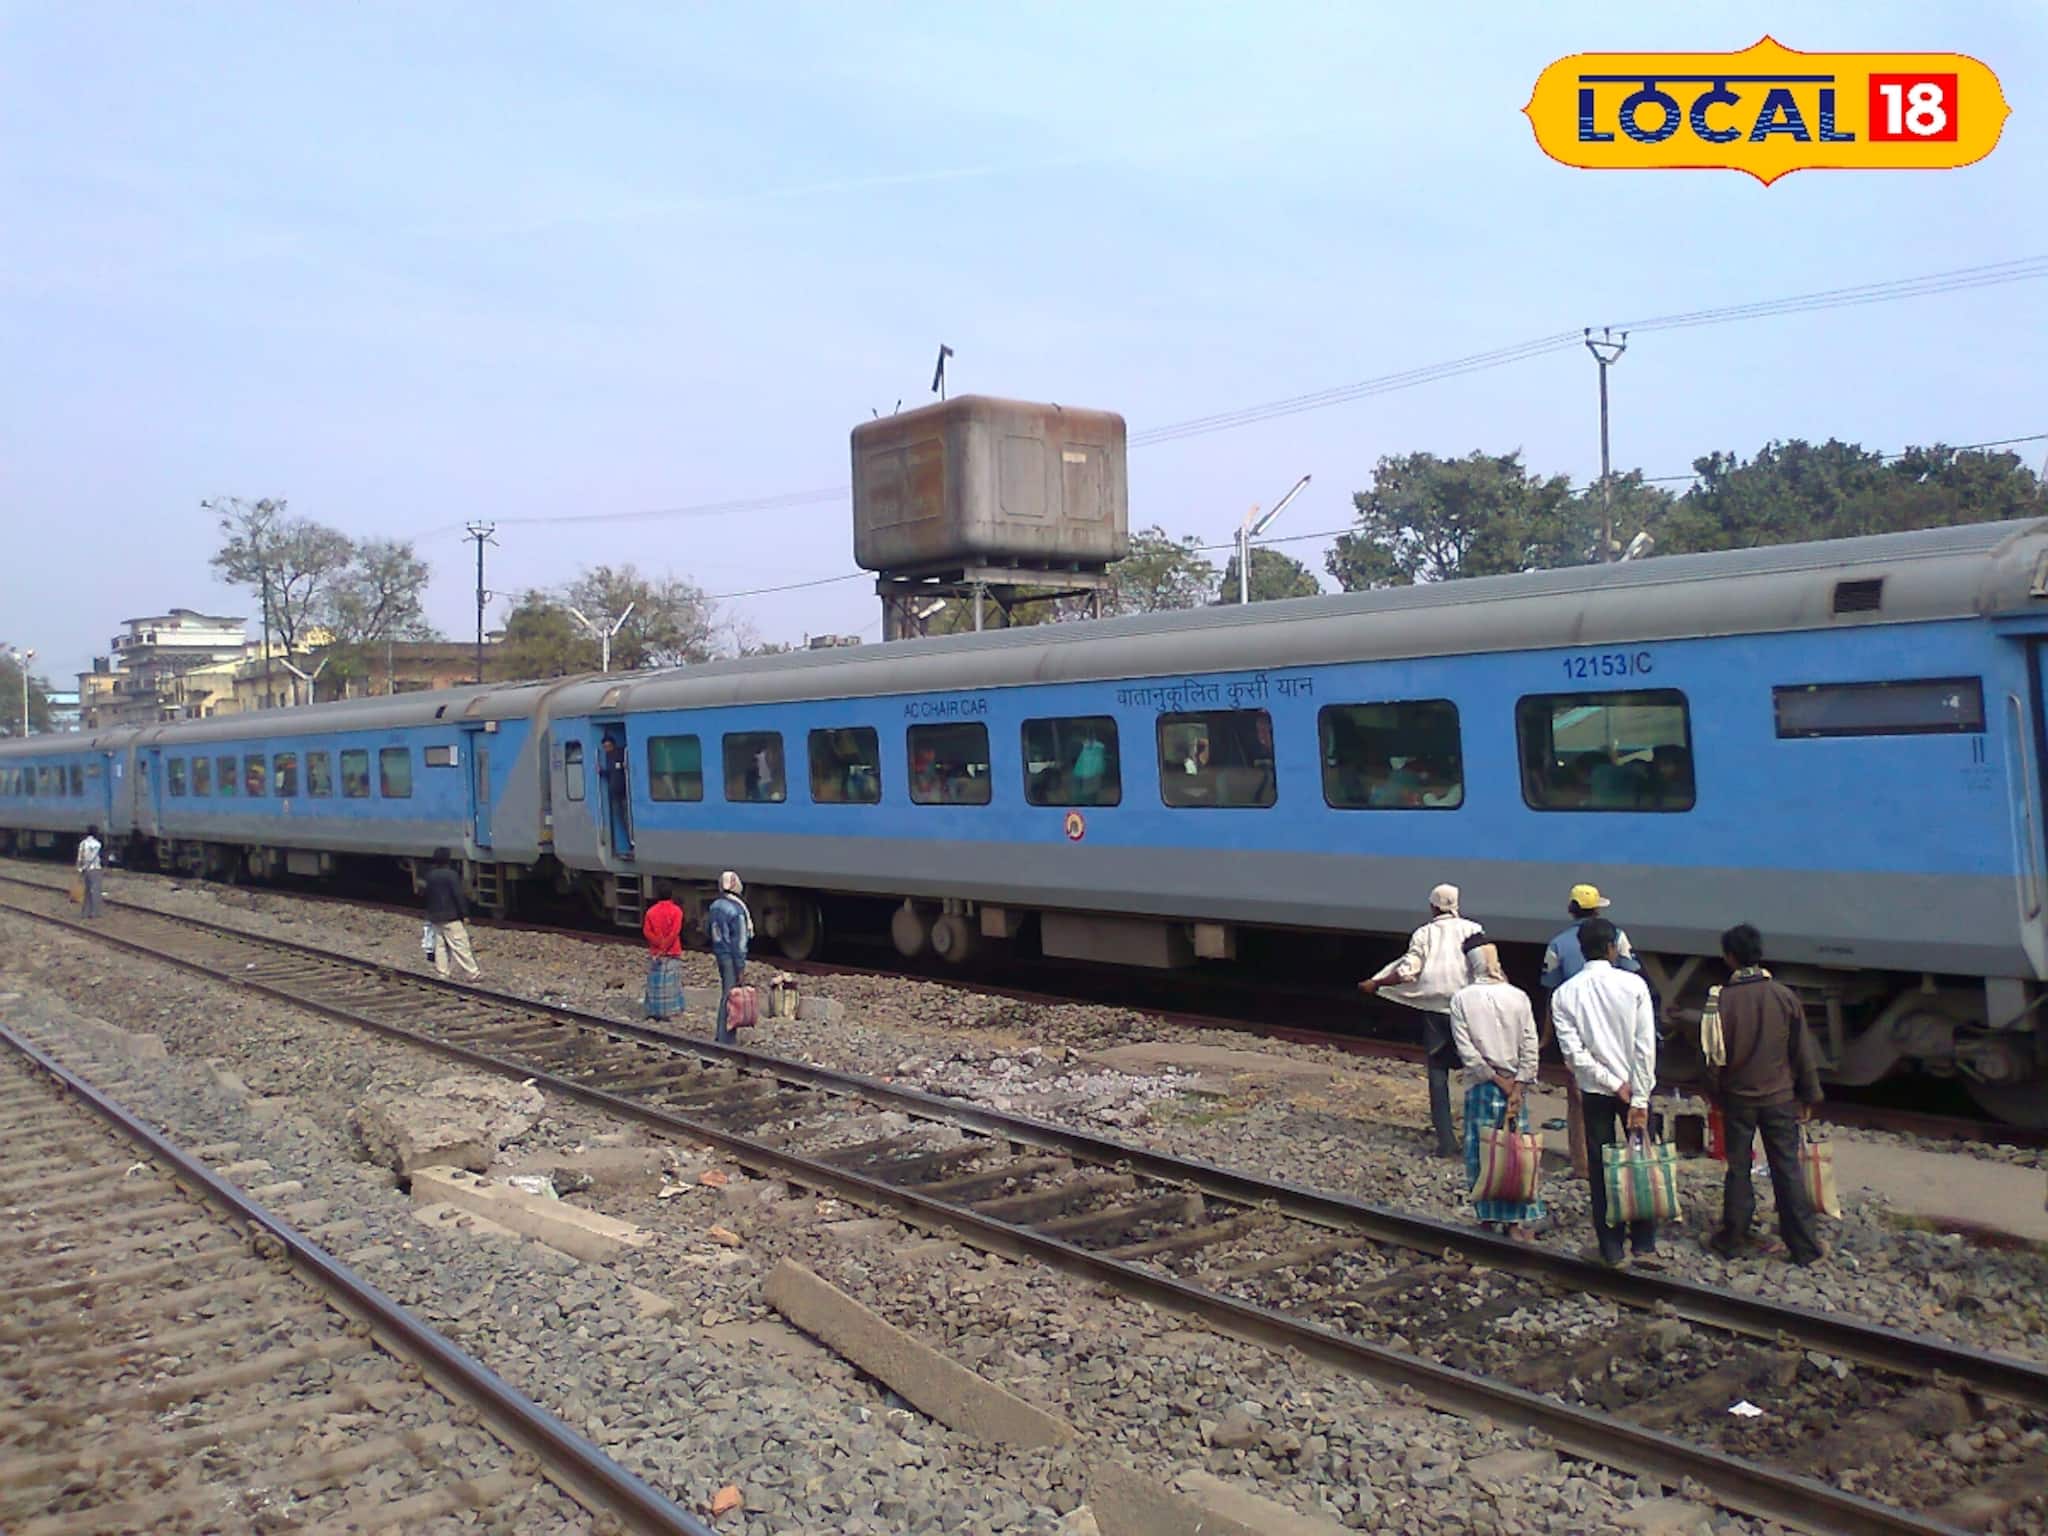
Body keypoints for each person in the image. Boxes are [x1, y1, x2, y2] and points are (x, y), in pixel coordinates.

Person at [1704, 923, 1825, 1266]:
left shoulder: (1721, 1000)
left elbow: (1713, 1057)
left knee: (1738, 1168)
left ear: (1729, 958)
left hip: (1738, 1099)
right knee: (1786, 1168)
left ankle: (1733, 1237)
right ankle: (1803, 1246)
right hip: (1779, 1098)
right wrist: (1808, 1096)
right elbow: (1802, 1052)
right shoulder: (1784, 996)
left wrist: (1714, 1093)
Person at [1551, 916, 1659, 1266]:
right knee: (1640, 1161)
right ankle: (1644, 1244)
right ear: (1613, 948)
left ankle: (1611, 1247)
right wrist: (1638, 1096)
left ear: (1581, 951)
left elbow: (1575, 1056)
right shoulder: (1635, 986)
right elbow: (1645, 1047)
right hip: (1636, 1088)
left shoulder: (1564, 994)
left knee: (1600, 1166)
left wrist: (1614, 1085)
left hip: (1597, 1090)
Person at [1359, 883, 1483, 1157]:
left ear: (1432, 906)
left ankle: (1447, 1141)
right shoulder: (1474, 930)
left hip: (1435, 1012)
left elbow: (1408, 971)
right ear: (1457, 904)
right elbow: (1484, 967)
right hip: (1469, 1010)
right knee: (1476, 1071)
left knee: (1438, 1074)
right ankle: (1478, 1139)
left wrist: (1376, 983)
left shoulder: (1424, 934)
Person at [1449, 933, 1546, 1238]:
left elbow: (1468, 1052)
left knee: (1483, 1152)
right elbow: (1530, 1044)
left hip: (1482, 1086)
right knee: (1516, 1154)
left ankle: (1487, 1218)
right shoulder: (1519, 996)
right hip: (1516, 1089)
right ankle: (1516, 1222)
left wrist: (1497, 1080)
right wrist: (1518, 1084)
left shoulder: (1461, 999)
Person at [1539, 884, 1642, 993]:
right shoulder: (1617, 935)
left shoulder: (1557, 944)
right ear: (1597, 910)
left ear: (1571, 911)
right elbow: (1632, 970)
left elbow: (1550, 983)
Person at [706, 870, 753, 1045]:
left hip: (720, 953)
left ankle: (721, 1035)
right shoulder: (738, 910)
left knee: (726, 994)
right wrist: (741, 966)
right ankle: (726, 1038)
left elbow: (707, 929)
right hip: (732, 957)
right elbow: (740, 942)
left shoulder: (715, 905)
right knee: (730, 996)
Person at [422, 847, 481, 982]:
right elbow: (458, 896)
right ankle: (473, 973)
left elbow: (426, 895)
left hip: (435, 917)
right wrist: (464, 914)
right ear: (448, 859)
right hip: (451, 916)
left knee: (440, 946)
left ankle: (442, 973)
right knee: (460, 944)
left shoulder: (430, 875)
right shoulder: (452, 875)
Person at [642, 891, 686, 1021]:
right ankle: (672, 1011)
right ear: (671, 895)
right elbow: (675, 932)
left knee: (655, 983)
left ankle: (654, 1010)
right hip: (672, 951)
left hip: (656, 953)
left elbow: (647, 931)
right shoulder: (677, 911)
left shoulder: (650, 912)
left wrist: (658, 945)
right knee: (672, 983)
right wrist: (665, 946)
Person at [599, 737, 633, 855]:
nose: (607, 749)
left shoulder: (621, 753)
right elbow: (611, 772)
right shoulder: (608, 758)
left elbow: (622, 768)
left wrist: (624, 765)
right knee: (622, 817)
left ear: (613, 745)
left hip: (624, 792)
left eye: (608, 746)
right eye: (605, 747)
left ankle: (633, 843)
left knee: (627, 817)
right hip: (615, 793)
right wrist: (601, 771)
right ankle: (629, 843)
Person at [75, 825, 104, 919]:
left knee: (87, 891)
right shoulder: (98, 844)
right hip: (95, 869)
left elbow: (79, 858)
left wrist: (80, 869)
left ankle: (84, 912)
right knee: (95, 891)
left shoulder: (82, 843)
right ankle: (94, 912)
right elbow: (96, 857)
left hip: (85, 870)